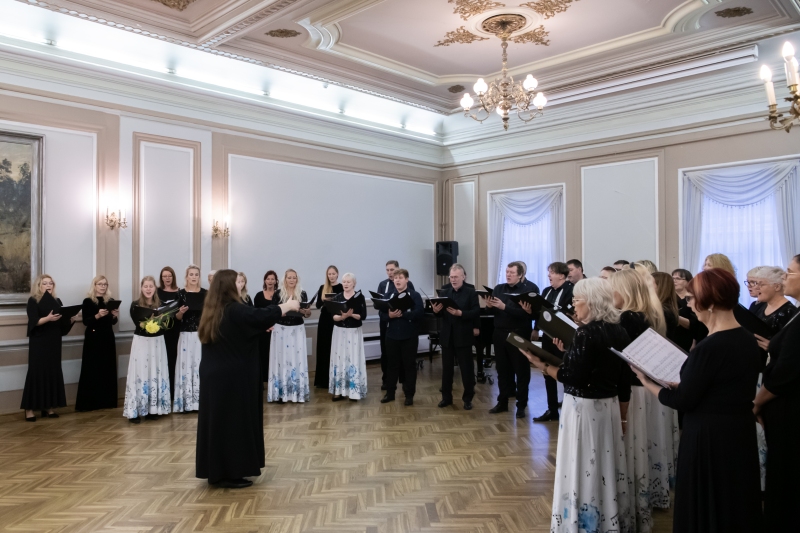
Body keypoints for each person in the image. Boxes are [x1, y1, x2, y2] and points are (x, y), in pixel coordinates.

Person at [634, 268, 763, 532]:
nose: (690, 306)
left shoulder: (710, 346)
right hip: (739, 430)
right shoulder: (747, 339)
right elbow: (724, 385)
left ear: (710, 303)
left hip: (708, 436)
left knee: (706, 502)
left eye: (692, 299)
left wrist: (648, 383)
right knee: (734, 500)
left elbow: (683, 400)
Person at [520, 278, 632, 533]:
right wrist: (624, 416)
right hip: (609, 407)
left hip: (584, 409)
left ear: (591, 302)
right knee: (604, 466)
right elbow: (621, 377)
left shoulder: (585, 333)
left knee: (582, 465)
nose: (573, 306)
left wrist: (541, 365)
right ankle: (609, 521)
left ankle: (581, 524)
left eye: (576, 300)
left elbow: (572, 377)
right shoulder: (619, 330)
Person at [195, 269, 299, 488]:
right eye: (236, 282)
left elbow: (236, 333)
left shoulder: (213, 309)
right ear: (228, 286)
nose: (240, 285)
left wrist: (258, 329)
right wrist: (288, 306)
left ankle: (216, 471)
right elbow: (258, 316)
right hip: (230, 378)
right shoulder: (233, 308)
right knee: (233, 423)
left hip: (215, 375)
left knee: (218, 424)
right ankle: (229, 473)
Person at [610, 268, 668, 530]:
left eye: (612, 287)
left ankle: (630, 505)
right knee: (640, 445)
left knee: (630, 447)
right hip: (642, 387)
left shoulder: (627, 318)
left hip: (631, 389)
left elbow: (620, 359)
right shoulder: (645, 314)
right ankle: (642, 501)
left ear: (624, 291)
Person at [754, 254, 800, 531]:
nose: (784, 277)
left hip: (789, 409)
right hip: (784, 408)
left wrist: (757, 403)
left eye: (790, 272)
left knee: (786, 477)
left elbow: (786, 372)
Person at [486, 261, 539, 418]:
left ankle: (521, 405)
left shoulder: (529, 290)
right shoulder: (499, 288)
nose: (508, 275)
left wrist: (504, 307)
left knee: (521, 370)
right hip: (499, 334)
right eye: (507, 272)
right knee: (502, 370)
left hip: (519, 334)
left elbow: (527, 315)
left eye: (512, 273)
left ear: (521, 275)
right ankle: (502, 402)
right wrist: (489, 306)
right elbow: (493, 312)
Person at [21, 274, 74, 421]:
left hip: (54, 341)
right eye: (45, 283)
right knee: (36, 373)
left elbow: (62, 327)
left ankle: (48, 407)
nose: (48, 285)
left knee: (52, 372)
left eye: (51, 283)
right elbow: (34, 322)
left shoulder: (57, 301)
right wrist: (48, 318)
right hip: (39, 342)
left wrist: (70, 319)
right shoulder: (33, 301)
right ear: (39, 286)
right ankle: (29, 409)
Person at [123, 276, 172, 423]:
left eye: (151, 286)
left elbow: (167, 324)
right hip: (142, 341)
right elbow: (138, 323)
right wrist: (149, 321)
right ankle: (135, 411)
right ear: (141, 288)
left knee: (155, 371)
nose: (148, 289)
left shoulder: (162, 304)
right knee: (140, 372)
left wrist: (162, 320)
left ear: (155, 288)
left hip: (158, 341)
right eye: (146, 286)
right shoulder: (135, 305)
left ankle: (152, 409)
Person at [431, 264, 480, 410]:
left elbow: (476, 312)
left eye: (456, 277)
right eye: (451, 277)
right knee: (447, 370)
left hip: (463, 336)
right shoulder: (445, 292)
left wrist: (461, 314)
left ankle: (468, 399)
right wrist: (436, 311)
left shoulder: (471, 292)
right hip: (447, 336)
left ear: (463, 277)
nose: (453, 280)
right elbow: (440, 314)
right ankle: (446, 398)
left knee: (466, 370)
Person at [531, 262, 573, 422]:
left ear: (561, 275)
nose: (549, 275)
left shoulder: (571, 290)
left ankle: (570, 410)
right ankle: (552, 410)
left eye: (552, 272)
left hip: (563, 339)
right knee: (547, 371)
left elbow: (569, 312)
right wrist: (536, 329)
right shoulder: (546, 290)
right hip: (548, 337)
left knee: (566, 372)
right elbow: (541, 312)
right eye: (549, 272)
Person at [75, 275, 119, 412]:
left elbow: (112, 322)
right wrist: (98, 315)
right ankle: (90, 403)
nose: (103, 286)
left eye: (105, 284)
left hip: (107, 336)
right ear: (94, 286)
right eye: (100, 284)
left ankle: (107, 401)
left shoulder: (110, 301)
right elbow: (86, 322)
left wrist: (114, 316)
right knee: (92, 368)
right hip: (93, 338)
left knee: (107, 367)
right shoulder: (88, 301)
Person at [381, 269, 424, 406]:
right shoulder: (388, 295)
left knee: (409, 366)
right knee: (392, 365)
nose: (397, 280)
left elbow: (419, 313)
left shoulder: (415, 295)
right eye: (395, 278)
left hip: (409, 336)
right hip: (391, 336)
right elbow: (382, 314)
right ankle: (390, 393)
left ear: (407, 279)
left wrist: (403, 314)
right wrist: (390, 316)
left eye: (400, 277)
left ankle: (409, 395)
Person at [267, 269, 312, 403]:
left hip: (297, 329)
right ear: (285, 279)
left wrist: (306, 312)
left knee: (297, 359)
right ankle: (280, 393)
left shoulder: (302, 293)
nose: (292, 280)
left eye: (294, 277)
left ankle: (297, 393)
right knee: (281, 359)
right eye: (289, 277)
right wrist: (285, 310)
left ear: (297, 279)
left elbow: (307, 314)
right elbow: (272, 312)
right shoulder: (278, 294)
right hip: (281, 329)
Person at [172, 265, 206, 413]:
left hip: (200, 335)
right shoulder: (180, 294)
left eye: (196, 274)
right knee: (185, 366)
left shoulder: (206, 293)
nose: (193, 277)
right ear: (186, 276)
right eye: (191, 274)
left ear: (199, 276)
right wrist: (180, 312)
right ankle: (185, 402)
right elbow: (177, 317)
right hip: (185, 334)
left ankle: (200, 402)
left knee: (199, 366)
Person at [376, 260, 415, 390]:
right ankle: (386, 380)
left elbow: (412, 303)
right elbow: (380, 305)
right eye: (387, 270)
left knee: (403, 355)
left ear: (398, 269)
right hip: (387, 322)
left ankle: (404, 380)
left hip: (402, 322)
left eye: (392, 270)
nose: (390, 273)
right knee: (386, 352)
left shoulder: (408, 284)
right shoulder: (383, 284)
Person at [329, 273, 368, 400]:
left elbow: (363, 316)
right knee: (339, 359)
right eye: (344, 282)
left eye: (348, 282)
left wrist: (351, 315)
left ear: (354, 284)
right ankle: (338, 391)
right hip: (339, 332)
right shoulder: (337, 297)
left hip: (354, 332)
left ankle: (353, 391)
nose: (345, 284)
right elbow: (333, 316)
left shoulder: (359, 297)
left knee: (353, 359)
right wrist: (342, 317)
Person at [752, 266, 797, 351]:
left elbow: (792, 346)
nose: (756, 287)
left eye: (761, 284)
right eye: (756, 283)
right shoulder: (760, 306)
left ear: (777, 287)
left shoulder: (789, 312)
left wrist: (773, 348)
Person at [314, 265, 343, 389]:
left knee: (335, 348)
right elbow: (317, 305)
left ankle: (335, 378)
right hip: (325, 320)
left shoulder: (341, 287)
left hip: (336, 319)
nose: (331, 276)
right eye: (329, 274)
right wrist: (324, 299)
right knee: (323, 347)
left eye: (333, 274)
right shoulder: (323, 287)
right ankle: (323, 380)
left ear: (337, 274)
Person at [653, 271, 692, 352]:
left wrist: (674, 317)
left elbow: (695, 325)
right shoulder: (673, 297)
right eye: (673, 278)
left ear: (688, 281)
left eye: (678, 278)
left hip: (683, 337)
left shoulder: (691, 299)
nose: (674, 281)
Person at [158, 266, 182, 390]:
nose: (167, 278)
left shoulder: (179, 292)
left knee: (173, 358)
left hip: (175, 329)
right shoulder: (157, 291)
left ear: (173, 277)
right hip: (161, 329)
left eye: (169, 276)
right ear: (161, 278)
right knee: (162, 359)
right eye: (165, 276)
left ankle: (173, 390)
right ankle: (163, 389)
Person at [253, 270, 279, 382]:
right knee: (264, 353)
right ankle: (264, 379)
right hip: (263, 330)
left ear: (276, 281)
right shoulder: (259, 296)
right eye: (268, 279)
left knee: (276, 354)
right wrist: (264, 327)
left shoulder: (279, 295)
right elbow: (256, 314)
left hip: (277, 329)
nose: (270, 281)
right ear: (265, 281)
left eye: (272, 279)